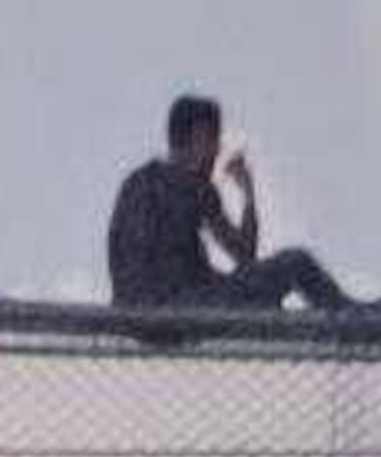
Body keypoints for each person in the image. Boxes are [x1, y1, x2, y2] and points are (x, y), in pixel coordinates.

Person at [107, 94, 354, 311]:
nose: (217, 149)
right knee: (296, 263)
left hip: (133, 311)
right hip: (181, 309)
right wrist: (246, 190)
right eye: (213, 139)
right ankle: (352, 321)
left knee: (262, 298)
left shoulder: (138, 179)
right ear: (198, 136)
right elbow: (245, 255)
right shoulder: (194, 183)